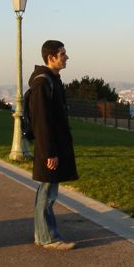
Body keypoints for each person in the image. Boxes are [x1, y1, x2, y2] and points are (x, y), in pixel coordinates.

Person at [29, 40, 78, 251]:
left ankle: (43, 235)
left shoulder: (52, 80)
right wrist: (49, 152)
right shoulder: (43, 83)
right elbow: (41, 121)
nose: (66, 57)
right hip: (50, 149)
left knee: (47, 192)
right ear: (51, 58)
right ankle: (47, 237)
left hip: (54, 146)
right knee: (47, 194)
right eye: (62, 54)